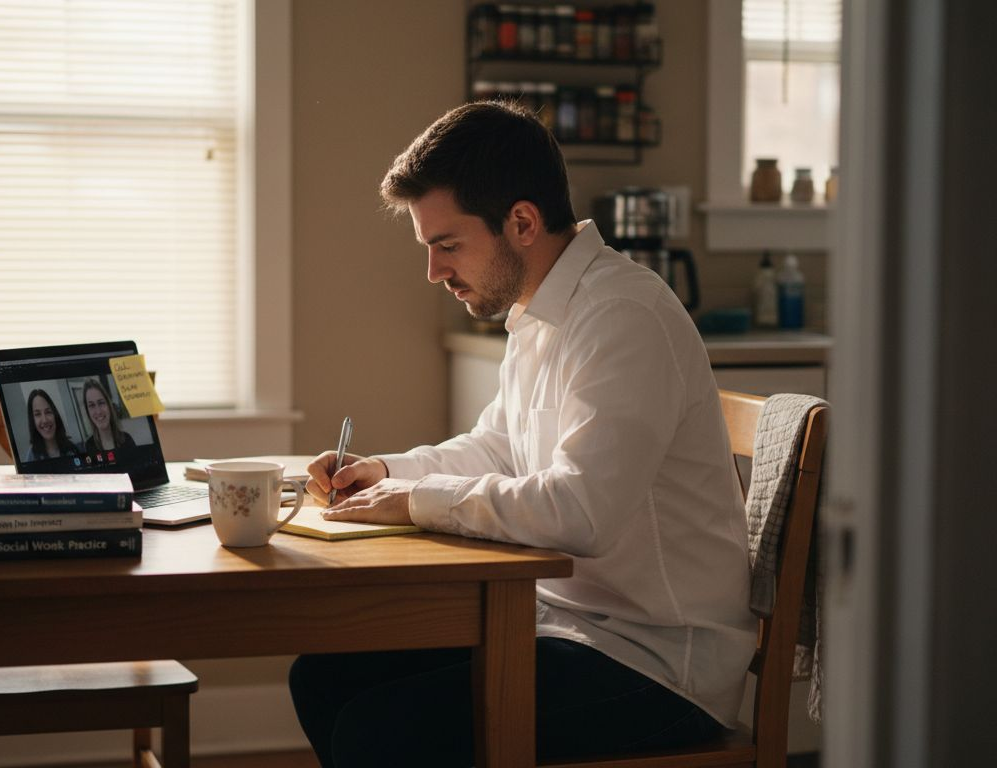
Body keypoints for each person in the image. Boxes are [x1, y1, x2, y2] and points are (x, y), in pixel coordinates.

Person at [291, 101, 757, 768]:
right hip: (562, 626)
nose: (434, 272)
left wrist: (418, 501)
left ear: (522, 222)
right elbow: (498, 447)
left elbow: (582, 512)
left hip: (657, 661)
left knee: (379, 731)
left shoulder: (622, 317)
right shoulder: (540, 312)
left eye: (447, 245)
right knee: (322, 676)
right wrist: (389, 474)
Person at [80, 378, 135, 453]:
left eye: (101, 403)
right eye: (92, 405)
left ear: (109, 405)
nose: (98, 411)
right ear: (87, 411)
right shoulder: (88, 447)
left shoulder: (127, 440)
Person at [23, 389, 79, 462]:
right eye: (37, 414)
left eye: (48, 412)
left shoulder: (74, 449)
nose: (45, 420)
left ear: (55, 415)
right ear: (32, 420)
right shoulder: (31, 458)